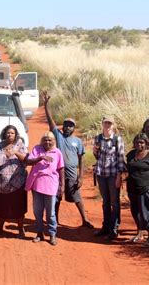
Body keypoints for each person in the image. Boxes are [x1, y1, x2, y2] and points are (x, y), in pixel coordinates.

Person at [43, 91, 93, 228]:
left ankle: (85, 220)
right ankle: (55, 220)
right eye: (65, 124)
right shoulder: (58, 136)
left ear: (74, 128)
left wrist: (81, 177)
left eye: (70, 125)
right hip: (58, 172)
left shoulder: (77, 141)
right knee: (57, 197)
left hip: (72, 173)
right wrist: (46, 105)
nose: (67, 127)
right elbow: (50, 121)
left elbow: (81, 159)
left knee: (77, 197)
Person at [26, 131, 65, 246]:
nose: (47, 142)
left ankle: (52, 234)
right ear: (42, 140)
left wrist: (62, 185)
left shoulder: (57, 152)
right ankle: (39, 233)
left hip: (51, 184)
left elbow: (61, 169)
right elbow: (29, 161)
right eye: (45, 140)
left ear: (54, 141)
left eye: (50, 140)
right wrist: (41, 157)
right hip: (37, 184)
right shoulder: (37, 149)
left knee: (50, 213)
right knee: (37, 211)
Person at [126, 133, 149, 245]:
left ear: (146, 143)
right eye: (137, 142)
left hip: (146, 188)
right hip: (132, 188)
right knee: (135, 211)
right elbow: (127, 168)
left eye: (142, 142)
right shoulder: (131, 155)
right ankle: (140, 233)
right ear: (134, 143)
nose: (139, 145)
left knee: (146, 214)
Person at [93, 116, 126, 240]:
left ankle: (114, 228)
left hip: (113, 175)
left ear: (113, 125)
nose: (107, 125)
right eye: (105, 123)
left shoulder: (117, 140)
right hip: (101, 174)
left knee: (115, 202)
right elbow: (97, 157)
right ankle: (105, 226)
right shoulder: (98, 138)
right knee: (105, 202)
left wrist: (119, 176)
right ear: (102, 124)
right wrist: (95, 151)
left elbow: (121, 159)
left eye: (109, 123)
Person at [0, 125, 28, 238]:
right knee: (1, 207)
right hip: (1, 184)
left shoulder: (20, 145)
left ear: (16, 134)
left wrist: (15, 153)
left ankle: (21, 230)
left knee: (18, 208)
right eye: (8, 133)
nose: (10, 135)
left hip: (17, 183)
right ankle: (0, 228)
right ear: (4, 133)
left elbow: (26, 160)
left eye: (12, 133)